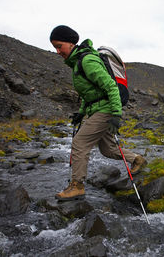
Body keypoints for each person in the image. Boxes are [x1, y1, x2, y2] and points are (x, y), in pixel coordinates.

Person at [50, 25, 147, 201]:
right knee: (108, 149)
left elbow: (110, 86)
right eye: (54, 47)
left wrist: (116, 114)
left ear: (71, 43)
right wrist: (81, 113)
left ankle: (77, 186)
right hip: (99, 109)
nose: (57, 51)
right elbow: (90, 93)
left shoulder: (87, 61)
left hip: (106, 110)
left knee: (79, 143)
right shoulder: (78, 62)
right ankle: (137, 159)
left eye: (59, 46)